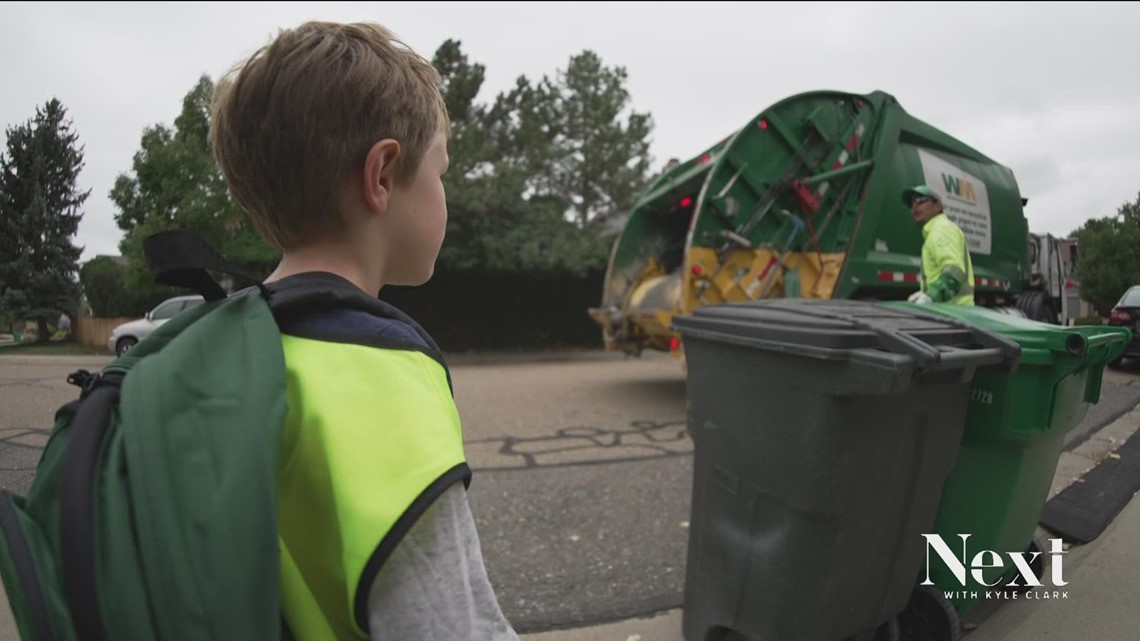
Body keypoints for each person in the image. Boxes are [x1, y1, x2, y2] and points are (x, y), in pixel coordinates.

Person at [209, 21, 518, 640]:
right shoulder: (380, 375)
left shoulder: (221, 350)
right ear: (382, 175)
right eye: (441, 173)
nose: (445, 195)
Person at [901, 185, 975, 306]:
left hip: (951, 312)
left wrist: (931, 296)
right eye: (911, 203)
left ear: (938, 206)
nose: (914, 206)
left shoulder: (941, 229)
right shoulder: (934, 231)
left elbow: (954, 272)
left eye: (920, 200)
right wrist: (926, 293)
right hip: (951, 310)